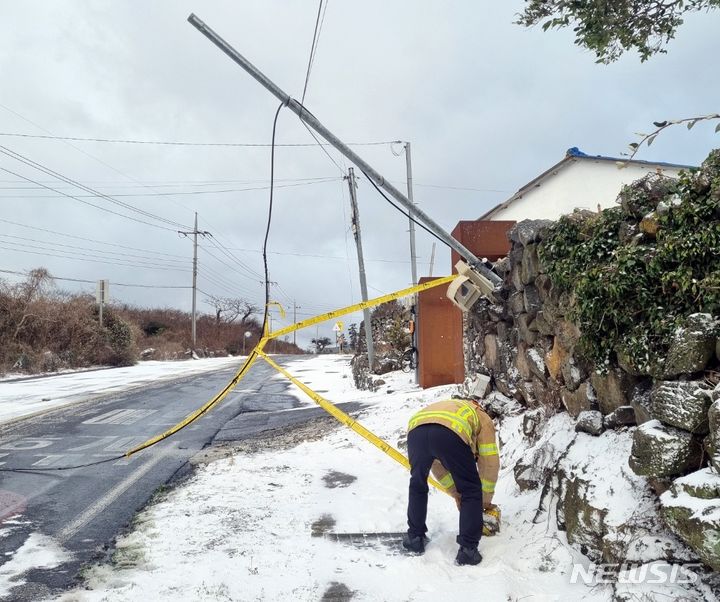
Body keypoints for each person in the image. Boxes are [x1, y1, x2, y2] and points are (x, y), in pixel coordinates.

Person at [402, 397, 500, 565]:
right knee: (471, 488)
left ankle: (414, 538)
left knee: (417, 484)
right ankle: (468, 551)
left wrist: (456, 494)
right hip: (450, 435)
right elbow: (489, 464)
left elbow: (437, 465)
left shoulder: (448, 407)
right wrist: (481, 502)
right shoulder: (482, 417)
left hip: (415, 432)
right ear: (478, 405)